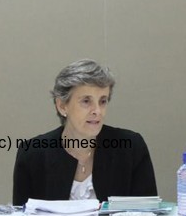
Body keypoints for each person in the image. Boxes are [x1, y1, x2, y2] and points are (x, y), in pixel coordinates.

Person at [13, 59, 157, 206]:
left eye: (102, 101)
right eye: (86, 101)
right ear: (62, 106)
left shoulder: (131, 147)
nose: (97, 111)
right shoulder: (32, 153)